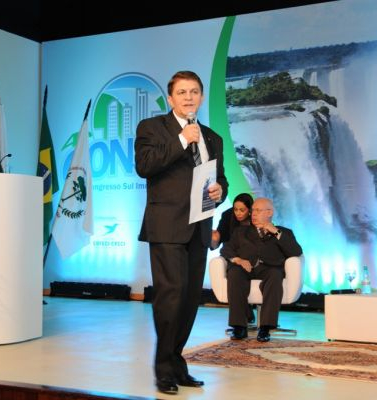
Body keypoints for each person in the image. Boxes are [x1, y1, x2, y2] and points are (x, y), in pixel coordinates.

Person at [135, 70, 228, 395]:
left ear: (201, 96)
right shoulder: (152, 128)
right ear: (171, 98)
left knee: (189, 301)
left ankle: (177, 362)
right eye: (182, 92)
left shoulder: (213, 137)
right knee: (170, 297)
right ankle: (163, 369)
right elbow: (145, 166)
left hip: (199, 227)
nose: (189, 97)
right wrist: (182, 140)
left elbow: (221, 178)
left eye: (194, 92)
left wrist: (221, 191)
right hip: (167, 226)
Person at [220, 197, 302, 342]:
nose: (253, 214)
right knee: (234, 273)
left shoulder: (284, 232)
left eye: (258, 211)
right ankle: (239, 327)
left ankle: (265, 327)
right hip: (245, 267)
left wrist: (275, 231)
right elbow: (226, 249)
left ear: (269, 212)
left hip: (269, 268)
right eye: (253, 211)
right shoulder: (241, 232)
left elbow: (296, 251)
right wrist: (238, 260)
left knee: (275, 275)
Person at [211, 192, 256, 323]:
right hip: (234, 258)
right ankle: (242, 319)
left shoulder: (256, 217)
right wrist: (214, 238)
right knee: (235, 273)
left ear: (250, 210)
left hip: (254, 258)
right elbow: (218, 243)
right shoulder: (227, 216)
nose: (238, 213)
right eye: (235, 209)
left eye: (242, 210)